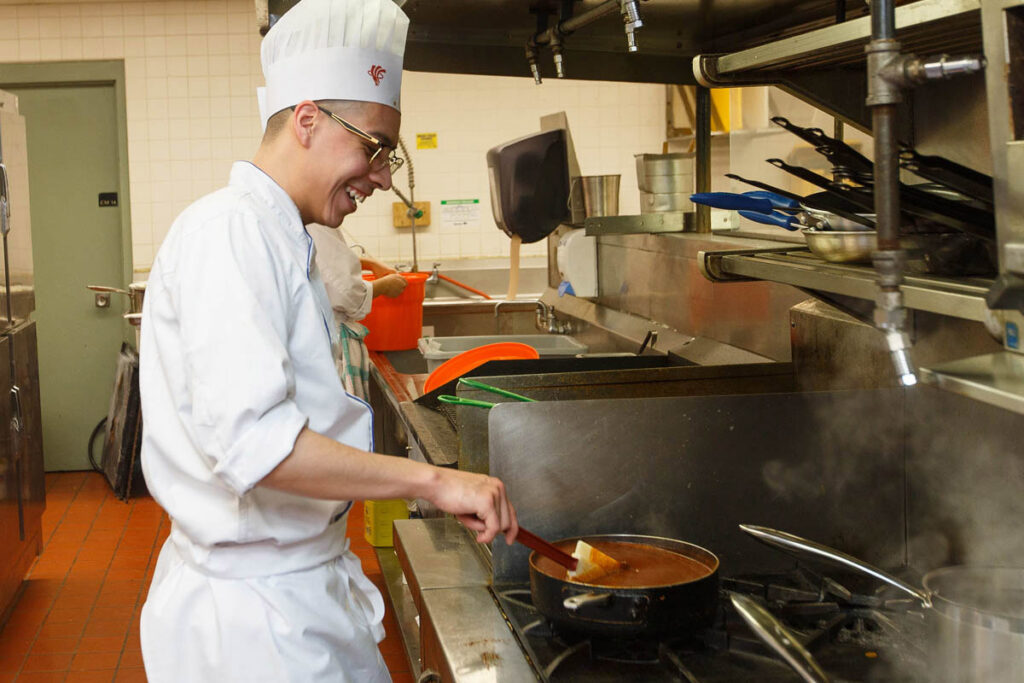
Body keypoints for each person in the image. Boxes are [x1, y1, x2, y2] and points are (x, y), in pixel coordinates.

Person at [137, 0, 519, 681]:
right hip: (255, 630)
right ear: (307, 119)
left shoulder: (284, 237)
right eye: (374, 148)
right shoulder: (229, 234)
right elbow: (258, 446)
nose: (382, 178)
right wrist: (436, 482)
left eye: (388, 156)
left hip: (292, 598)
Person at [308, 223, 406, 399]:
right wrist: (383, 287)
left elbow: (320, 261)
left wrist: (367, 263)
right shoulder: (316, 222)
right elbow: (345, 295)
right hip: (324, 348)